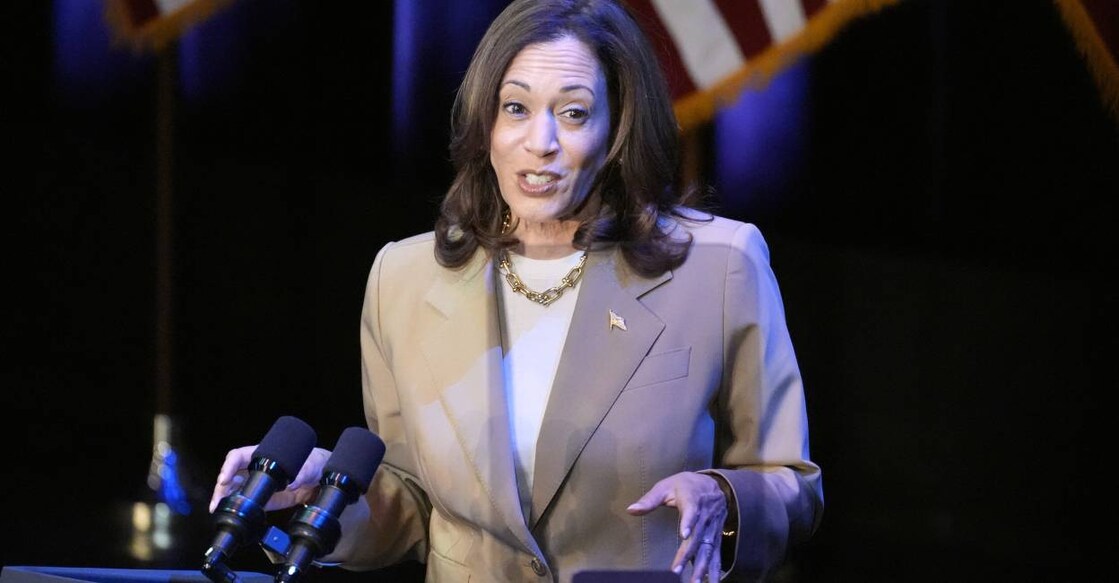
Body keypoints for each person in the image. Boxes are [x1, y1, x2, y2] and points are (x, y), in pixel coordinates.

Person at [209, 0, 823, 581]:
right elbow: (413, 503)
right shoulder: (404, 278)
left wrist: (723, 497)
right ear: (486, 123)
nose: (541, 142)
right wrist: (323, 497)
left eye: (574, 112)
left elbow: (792, 483)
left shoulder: (717, 266)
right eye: (516, 108)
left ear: (616, 132)